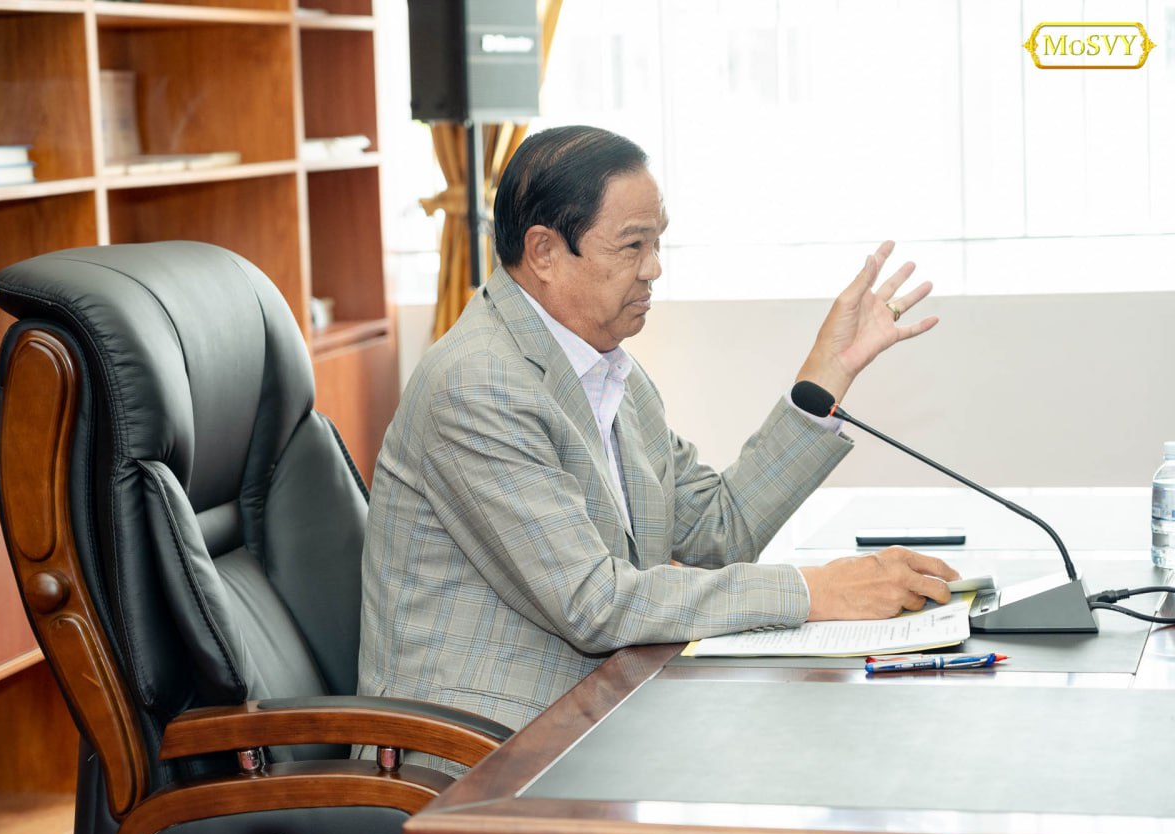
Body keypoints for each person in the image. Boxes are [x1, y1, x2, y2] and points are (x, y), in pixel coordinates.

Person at [357, 125, 957, 766]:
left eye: (658, 242)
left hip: (597, 713)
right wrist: (814, 592)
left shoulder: (612, 372)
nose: (654, 268)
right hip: (469, 756)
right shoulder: (477, 384)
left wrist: (827, 373)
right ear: (544, 252)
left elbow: (719, 531)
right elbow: (593, 603)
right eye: (632, 245)